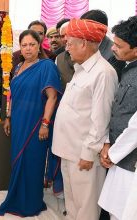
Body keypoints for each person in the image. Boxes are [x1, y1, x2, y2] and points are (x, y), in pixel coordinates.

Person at [52, 18, 118, 220]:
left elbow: (101, 119)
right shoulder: (81, 69)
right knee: (72, 203)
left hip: (83, 155)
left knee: (86, 209)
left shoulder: (103, 73)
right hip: (68, 150)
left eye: (70, 43)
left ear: (84, 44)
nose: (67, 48)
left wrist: (88, 154)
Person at [0, 29, 62, 217]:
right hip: (18, 122)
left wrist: (45, 123)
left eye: (32, 44)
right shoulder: (18, 67)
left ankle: (31, 203)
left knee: (32, 162)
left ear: (39, 45)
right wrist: (8, 117)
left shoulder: (46, 67)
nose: (27, 49)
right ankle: (16, 198)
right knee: (17, 161)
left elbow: (52, 97)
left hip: (35, 124)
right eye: (24, 45)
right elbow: (12, 96)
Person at [98, 15, 137, 220]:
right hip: (118, 156)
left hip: (129, 162)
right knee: (114, 210)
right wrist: (107, 143)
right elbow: (117, 110)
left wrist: (113, 153)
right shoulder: (128, 67)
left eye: (119, 45)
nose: (113, 48)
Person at [81, 9, 126, 81]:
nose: (81, 31)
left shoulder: (114, 52)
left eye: (85, 28)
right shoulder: (83, 46)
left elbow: (111, 81)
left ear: (100, 29)